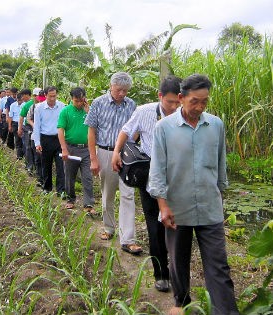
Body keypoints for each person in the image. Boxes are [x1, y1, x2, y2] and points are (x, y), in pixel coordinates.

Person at [148, 74, 239, 315]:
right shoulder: (164, 128)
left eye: (205, 102)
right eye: (194, 101)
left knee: (218, 265)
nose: (199, 107)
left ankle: (226, 311)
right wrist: (163, 206)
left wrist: (221, 196)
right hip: (177, 208)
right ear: (181, 98)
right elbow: (157, 171)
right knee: (178, 262)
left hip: (210, 207)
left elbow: (220, 166)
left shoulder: (216, 125)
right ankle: (181, 304)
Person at [111, 75, 182, 292]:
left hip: (178, 175)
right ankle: (161, 273)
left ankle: (179, 272)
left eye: (178, 101)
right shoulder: (145, 111)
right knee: (154, 223)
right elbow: (126, 130)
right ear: (160, 96)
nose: (174, 106)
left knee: (177, 224)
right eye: (170, 102)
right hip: (151, 173)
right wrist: (116, 152)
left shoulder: (186, 114)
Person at [84, 72, 141, 255]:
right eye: (119, 90)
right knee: (107, 193)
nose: (122, 93)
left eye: (125, 90)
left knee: (128, 194)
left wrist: (132, 145)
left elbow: (136, 129)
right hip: (106, 152)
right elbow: (91, 132)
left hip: (127, 155)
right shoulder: (98, 103)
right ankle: (109, 228)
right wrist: (93, 158)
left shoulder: (132, 105)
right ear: (111, 86)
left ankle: (128, 239)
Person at [58, 87, 94, 212]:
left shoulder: (89, 111)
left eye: (81, 100)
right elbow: (60, 130)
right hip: (71, 148)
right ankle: (70, 199)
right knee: (70, 176)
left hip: (86, 149)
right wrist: (64, 149)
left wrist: (89, 111)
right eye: (76, 100)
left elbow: (95, 126)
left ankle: (88, 203)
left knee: (87, 176)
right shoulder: (66, 111)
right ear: (71, 99)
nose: (79, 103)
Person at [32, 86, 65, 195]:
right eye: (50, 96)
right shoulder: (39, 108)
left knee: (60, 165)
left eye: (54, 96)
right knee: (46, 164)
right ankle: (47, 187)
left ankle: (61, 190)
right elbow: (36, 126)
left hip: (58, 139)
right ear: (45, 96)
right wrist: (37, 143)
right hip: (45, 139)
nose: (52, 98)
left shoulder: (62, 106)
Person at [18, 87, 41, 175]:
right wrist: (20, 128)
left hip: (40, 128)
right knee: (28, 147)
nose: (37, 97)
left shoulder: (44, 105)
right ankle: (30, 166)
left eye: (39, 95)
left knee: (37, 148)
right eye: (35, 96)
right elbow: (22, 117)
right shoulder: (28, 105)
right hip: (29, 128)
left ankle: (37, 167)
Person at [8, 90, 29, 159]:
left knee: (24, 140)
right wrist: (10, 125)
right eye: (18, 100)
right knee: (17, 139)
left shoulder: (25, 105)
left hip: (23, 124)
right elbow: (10, 116)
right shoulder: (12, 105)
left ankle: (25, 155)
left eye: (21, 100)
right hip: (15, 123)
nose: (20, 102)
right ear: (16, 99)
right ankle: (19, 155)